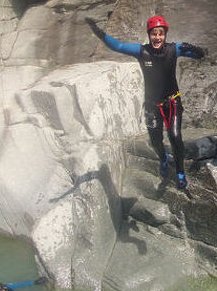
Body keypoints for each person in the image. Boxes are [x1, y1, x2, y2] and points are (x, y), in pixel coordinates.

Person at [85, 15, 206, 189]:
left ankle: (180, 172)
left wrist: (193, 48)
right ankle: (163, 159)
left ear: (165, 35)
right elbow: (117, 46)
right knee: (156, 140)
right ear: (149, 35)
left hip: (172, 102)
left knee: (175, 136)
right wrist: (97, 31)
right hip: (152, 105)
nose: (157, 37)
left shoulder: (175, 49)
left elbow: (201, 55)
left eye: (161, 34)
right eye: (154, 34)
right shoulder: (141, 51)